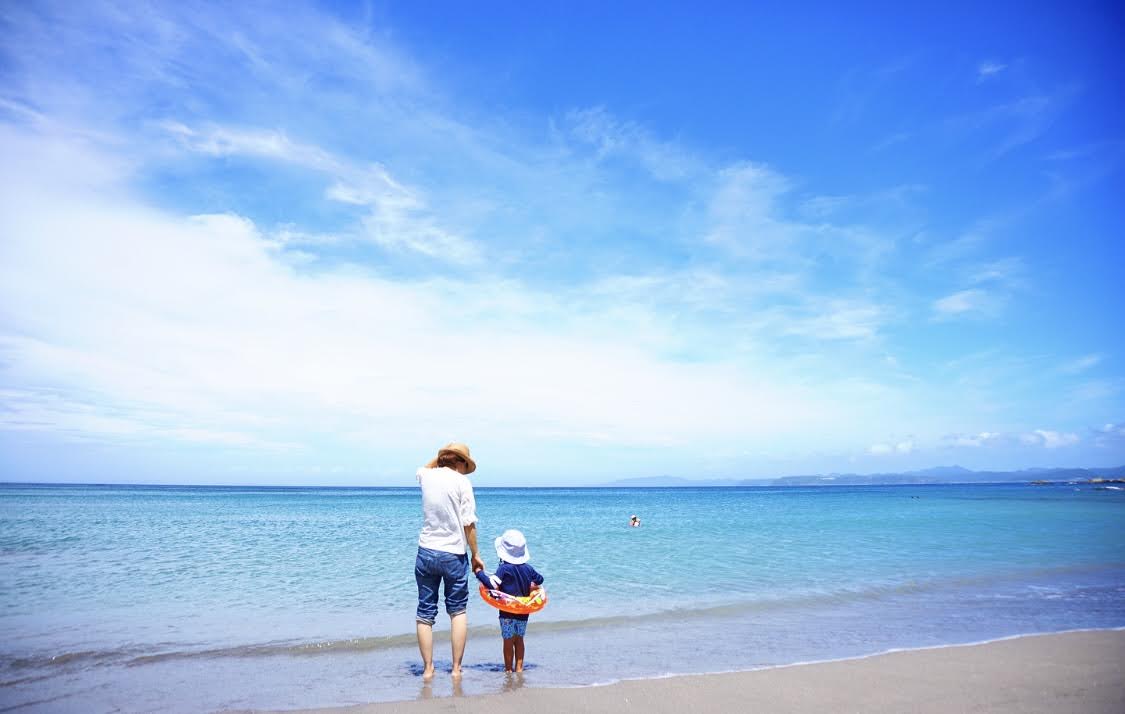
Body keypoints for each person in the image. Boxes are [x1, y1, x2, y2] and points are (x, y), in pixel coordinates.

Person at [414, 443, 485, 680]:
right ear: (460, 462)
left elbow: (423, 467)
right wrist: (475, 554)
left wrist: (441, 457)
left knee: (425, 612)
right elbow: (469, 524)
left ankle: (428, 669)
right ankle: (455, 669)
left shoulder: (427, 476)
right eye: (466, 464)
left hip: (426, 552)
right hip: (453, 554)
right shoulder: (463, 483)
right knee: (457, 612)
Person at [491, 529, 544, 673]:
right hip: (523, 612)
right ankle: (519, 669)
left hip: (507, 613)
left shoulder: (503, 569)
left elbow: (492, 585)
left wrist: (480, 574)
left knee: (508, 641)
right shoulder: (528, 569)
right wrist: (533, 586)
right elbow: (540, 579)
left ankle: (508, 669)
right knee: (519, 639)